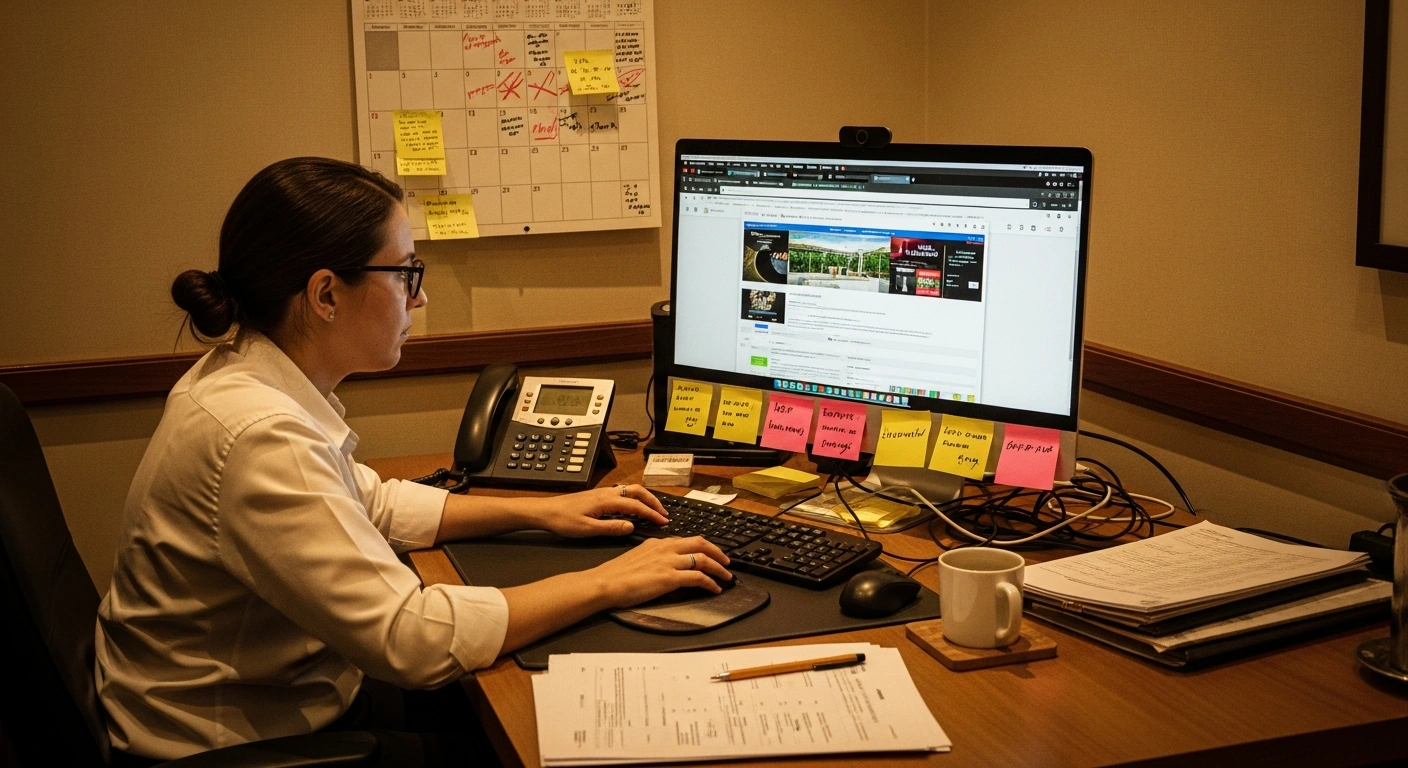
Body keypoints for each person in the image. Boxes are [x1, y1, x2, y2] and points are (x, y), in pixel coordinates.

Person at [94, 157, 732, 765]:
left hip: (265, 699)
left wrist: (546, 511)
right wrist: (613, 579)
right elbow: (412, 641)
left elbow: (369, 501)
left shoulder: (241, 375)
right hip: (231, 745)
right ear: (325, 294)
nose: (419, 299)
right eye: (405, 273)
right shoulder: (261, 434)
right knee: (531, 737)